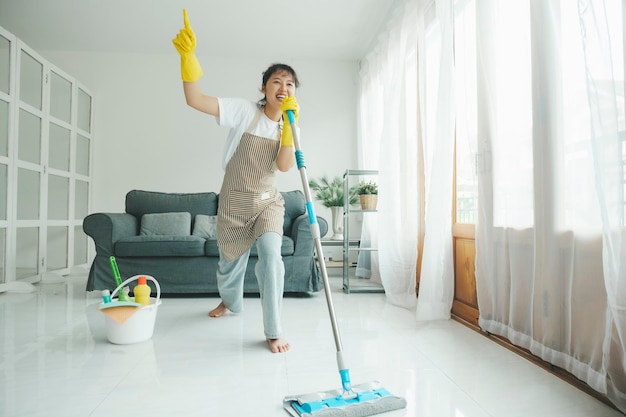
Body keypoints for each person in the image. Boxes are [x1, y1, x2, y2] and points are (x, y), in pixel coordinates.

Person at [172, 9, 299, 353]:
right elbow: (195, 99)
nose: (283, 87)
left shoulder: (290, 127)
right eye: (276, 81)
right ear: (264, 87)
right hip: (233, 201)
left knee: (272, 257)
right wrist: (188, 59)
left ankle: (274, 331)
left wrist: (289, 126)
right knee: (229, 264)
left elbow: (285, 166)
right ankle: (231, 302)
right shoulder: (245, 112)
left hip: (268, 203)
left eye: (289, 83)